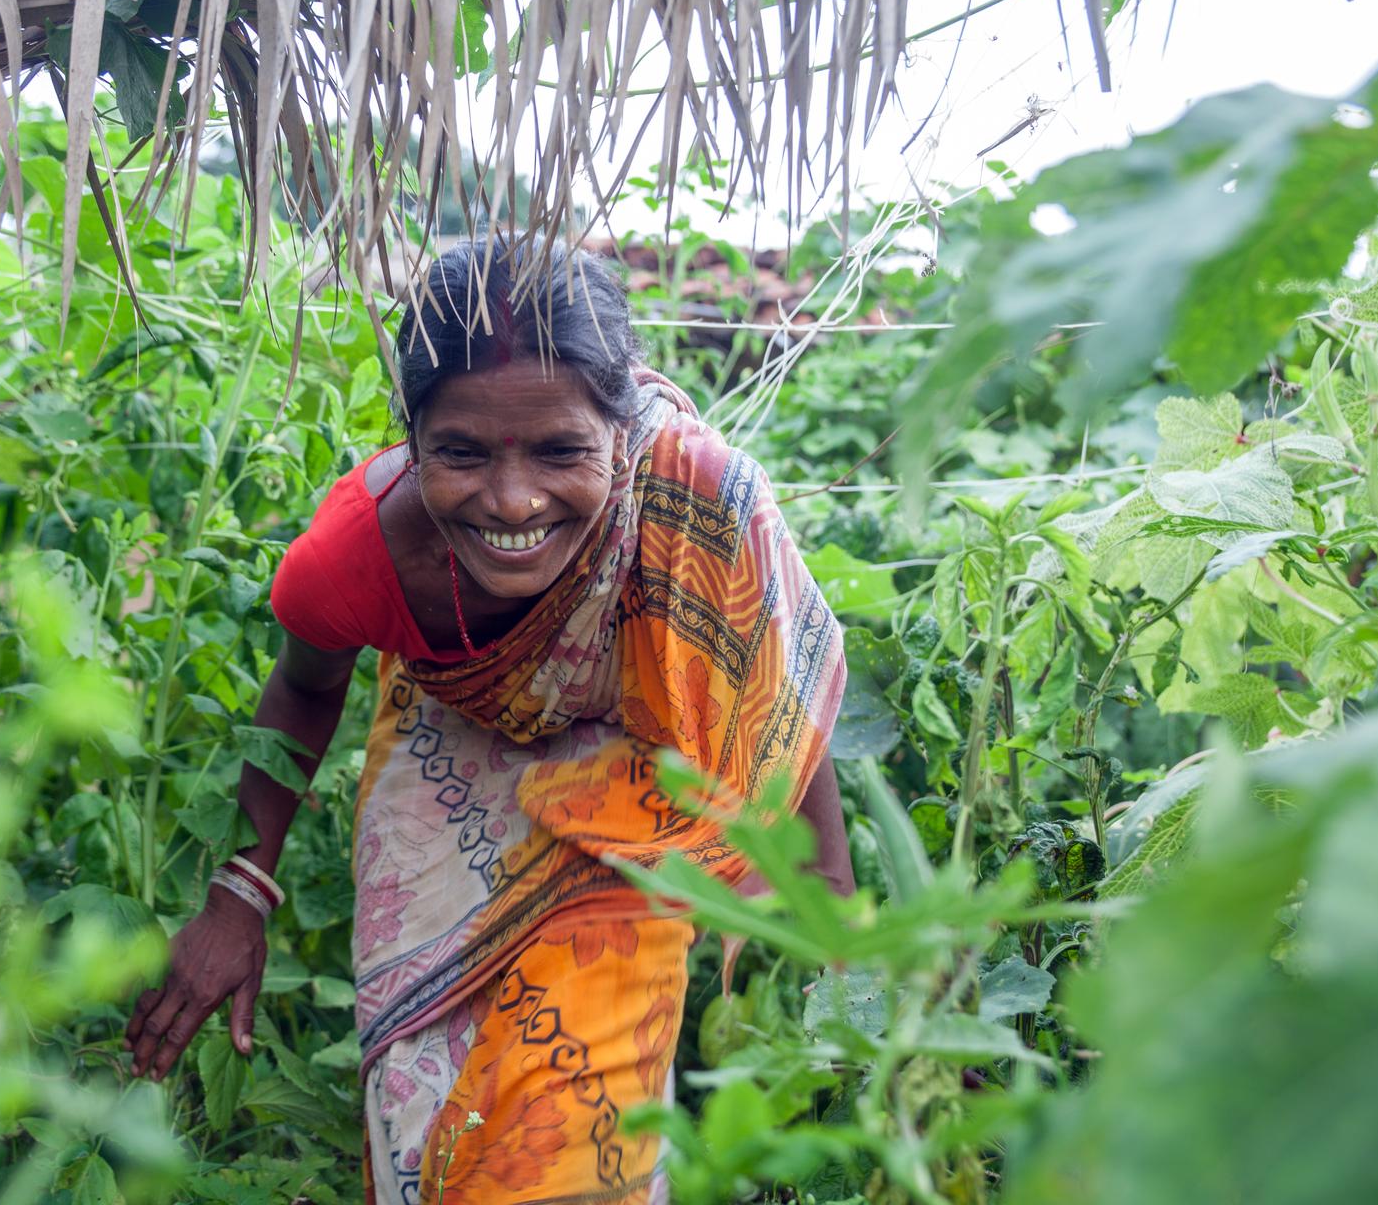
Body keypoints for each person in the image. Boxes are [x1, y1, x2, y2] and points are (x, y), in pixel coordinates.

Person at [125, 239, 854, 1203]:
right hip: (445, 751)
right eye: (460, 453)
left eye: (561, 451)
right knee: (423, 1119)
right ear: (412, 437)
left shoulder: (695, 499)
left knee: (586, 1122)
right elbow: (305, 690)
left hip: (634, 787)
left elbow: (774, 698)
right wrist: (240, 893)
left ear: (622, 430)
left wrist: (841, 918)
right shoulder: (358, 554)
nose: (512, 501)